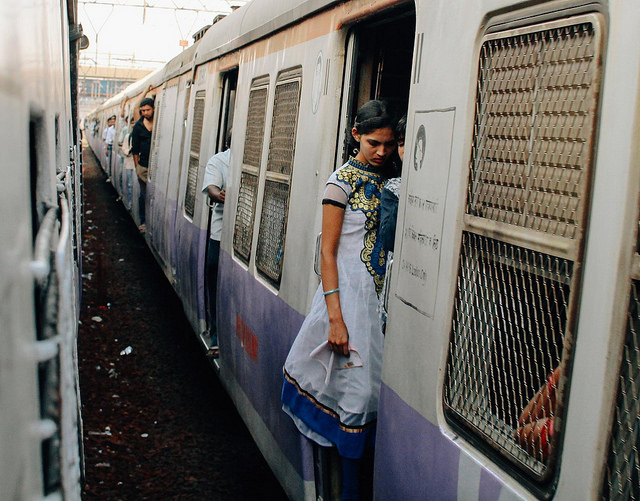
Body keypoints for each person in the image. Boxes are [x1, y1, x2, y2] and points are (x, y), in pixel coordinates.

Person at [281, 100, 397, 501]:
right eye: (373, 143)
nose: (381, 151)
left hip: (381, 299)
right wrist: (335, 318)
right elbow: (327, 252)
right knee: (357, 396)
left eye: (389, 143)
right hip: (348, 297)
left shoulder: (392, 179)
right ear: (355, 137)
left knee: (374, 397)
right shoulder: (340, 183)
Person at [201, 132, 231, 353]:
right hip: (220, 233)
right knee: (214, 275)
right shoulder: (219, 161)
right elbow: (211, 187)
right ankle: (215, 332)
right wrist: (217, 194)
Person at [378, 114, 406, 331]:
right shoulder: (393, 188)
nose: (404, 150)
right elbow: (389, 238)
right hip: (394, 289)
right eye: (401, 143)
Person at [131, 97, 154, 232]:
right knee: (144, 195)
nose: (145, 112)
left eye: (148, 110)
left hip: (156, 166)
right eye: (143, 110)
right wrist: (137, 168)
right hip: (143, 165)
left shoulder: (158, 123)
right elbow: (135, 149)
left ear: (153, 109)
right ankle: (143, 221)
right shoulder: (138, 126)